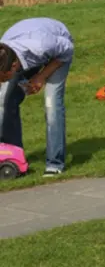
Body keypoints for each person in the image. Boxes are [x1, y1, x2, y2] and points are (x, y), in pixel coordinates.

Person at [0, 18, 74, 176]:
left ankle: (55, 164)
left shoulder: (41, 46)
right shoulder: (3, 53)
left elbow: (67, 49)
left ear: (13, 67)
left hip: (58, 49)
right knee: (4, 101)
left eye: (3, 77)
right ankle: (13, 159)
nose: (2, 81)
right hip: (24, 49)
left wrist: (42, 76)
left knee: (51, 104)